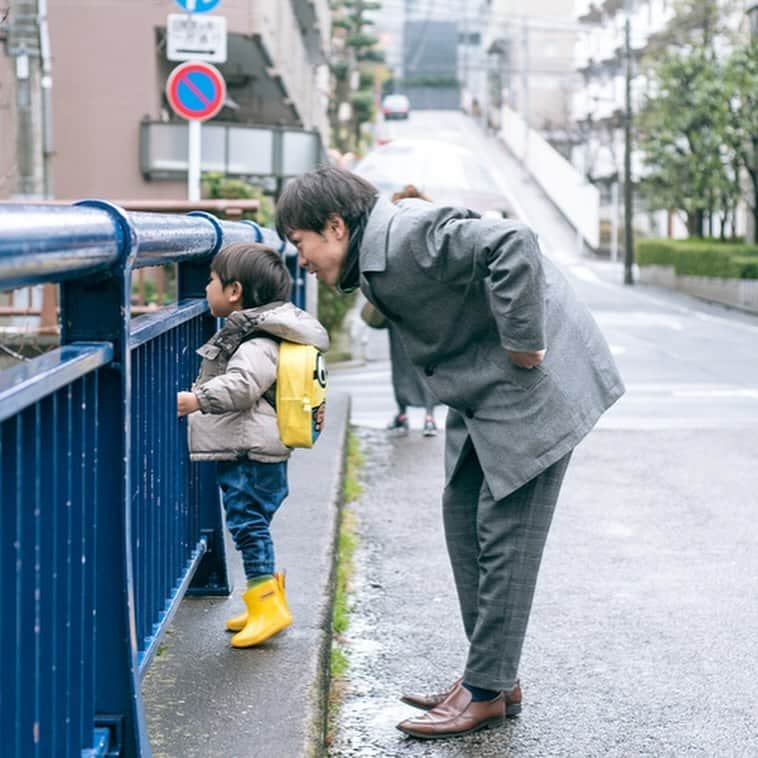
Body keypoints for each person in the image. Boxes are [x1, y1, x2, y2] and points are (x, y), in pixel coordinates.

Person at [275, 167, 624, 740]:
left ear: (335, 226)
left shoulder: (406, 233)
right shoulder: (377, 249)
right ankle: (493, 675)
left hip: (533, 386)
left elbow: (514, 241)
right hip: (481, 391)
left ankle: (485, 692)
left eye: (300, 242)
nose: (302, 258)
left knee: (505, 534)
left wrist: (524, 341)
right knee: (462, 515)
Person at [177, 242, 329, 649]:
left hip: (249, 451)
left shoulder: (256, 343)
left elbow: (243, 387)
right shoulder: (269, 334)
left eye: (211, 280)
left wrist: (198, 400)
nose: (206, 287)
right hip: (261, 448)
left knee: (248, 526)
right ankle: (266, 599)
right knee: (253, 526)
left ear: (235, 292)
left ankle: (267, 607)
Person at [385, 184, 439, 437]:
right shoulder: (430, 226)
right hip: (428, 308)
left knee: (400, 362)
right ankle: (429, 416)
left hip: (398, 306)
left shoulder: (392, 227)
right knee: (428, 362)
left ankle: (403, 411)